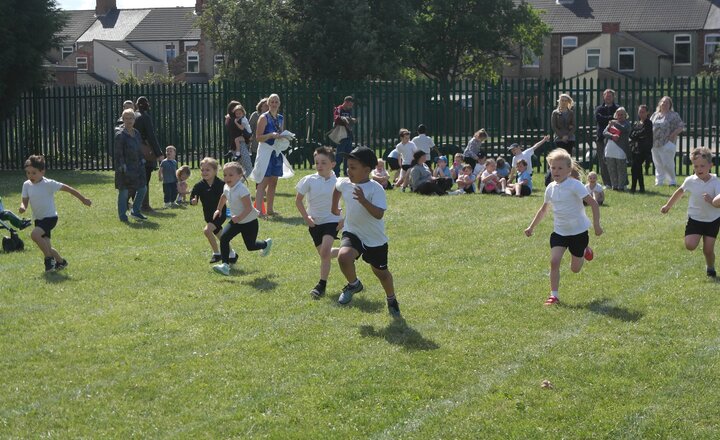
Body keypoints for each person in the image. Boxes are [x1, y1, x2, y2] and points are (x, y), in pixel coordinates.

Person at [525, 149, 603, 306]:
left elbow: (593, 204)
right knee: (554, 261)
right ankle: (554, 295)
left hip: (578, 232)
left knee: (575, 269)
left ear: (569, 170)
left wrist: (596, 225)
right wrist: (531, 227)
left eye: (560, 168)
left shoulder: (575, 185)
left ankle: (584, 250)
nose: (556, 171)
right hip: (560, 232)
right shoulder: (550, 188)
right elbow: (544, 209)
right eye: (553, 168)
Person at [331, 146, 401, 317]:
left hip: (374, 238)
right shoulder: (345, 182)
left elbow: (378, 214)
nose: (349, 170)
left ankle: (391, 299)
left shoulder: (375, 188)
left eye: (353, 167)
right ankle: (354, 284)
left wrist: (363, 200)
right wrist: (334, 207)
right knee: (343, 256)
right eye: (348, 166)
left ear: (367, 170)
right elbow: (337, 187)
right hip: (352, 232)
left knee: (381, 274)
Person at [19, 155, 92, 272]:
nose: (30, 176)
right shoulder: (26, 185)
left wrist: (83, 199)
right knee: (47, 246)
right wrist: (23, 206)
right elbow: (25, 200)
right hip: (38, 219)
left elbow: (69, 189)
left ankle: (49, 260)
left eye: (34, 173)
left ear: (42, 172)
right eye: (28, 173)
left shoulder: (49, 184)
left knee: (35, 235)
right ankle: (61, 262)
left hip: (50, 218)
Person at [661, 147, 720, 278]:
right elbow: (680, 192)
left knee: (708, 250)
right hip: (695, 219)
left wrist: (712, 201)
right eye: (696, 166)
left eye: (702, 166)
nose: (699, 169)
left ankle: (710, 267)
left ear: (711, 165)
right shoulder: (690, 180)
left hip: (712, 220)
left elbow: (718, 202)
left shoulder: (716, 182)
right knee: (690, 245)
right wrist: (668, 205)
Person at [295, 146, 342, 299]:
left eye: (323, 162)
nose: (319, 166)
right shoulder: (309, 180)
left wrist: (343, 220)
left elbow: (350, 201)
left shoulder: (339, 182)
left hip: (332, 220)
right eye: (317, 163)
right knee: (324, 254)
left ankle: (321, 285)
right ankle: (347, 251)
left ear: (333, 164)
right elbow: (298, 201)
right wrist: (306, 218)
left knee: (325, 252)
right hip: (314, 223)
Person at [212, 162, 272, 276]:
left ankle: (265, 244)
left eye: (230, 175)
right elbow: (223, 197)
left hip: (249, 222)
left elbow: (249, 208)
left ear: (240, 176)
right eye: (225, 175)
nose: (227, 178)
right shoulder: (226, 187)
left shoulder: (242, 189)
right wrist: (218, 209)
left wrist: (238, 217)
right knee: (224, 238)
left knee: (250, 246)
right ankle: (225, 265)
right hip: (236, 221)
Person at [251, 93, 294, 216]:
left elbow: (279, 133)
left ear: (279, 104)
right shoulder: (264, 117)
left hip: (276, 151)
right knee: (263, 181)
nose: (274, 104)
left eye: (276, 102)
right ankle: (259, 211)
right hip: (266, 151)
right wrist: (270, 135)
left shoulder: (280, 118)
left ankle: (270, 210)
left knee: (274, 181)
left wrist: (284, 136)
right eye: (272, 102)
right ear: (268, 104)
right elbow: (258, 137)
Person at [190, 157, 237, 264]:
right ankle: (232, 254)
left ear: (215, 171)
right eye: (202, 170)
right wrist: (193, 201)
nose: (204, 172)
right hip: (208, 216)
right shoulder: (199, 186)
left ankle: (217, 253)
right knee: (220, 235)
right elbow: (193, 198)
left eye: (207, 170)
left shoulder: (221, 184)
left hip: (219, 214)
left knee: (207, 231)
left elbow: (230, 195)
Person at [114, 108, 148, 222]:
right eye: (126, 118)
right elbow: (118, 153)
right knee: (124, 192)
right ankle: (122, 216)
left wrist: (142, 159)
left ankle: (135, 211)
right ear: (123, 119)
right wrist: (122, 165)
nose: (129, 121)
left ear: (134, 119)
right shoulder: (120, 135)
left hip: (137, 167)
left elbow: (139, 149)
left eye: (131, 118)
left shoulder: (136, 133)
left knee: (143, 188)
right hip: (125, 168)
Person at [134, 96, 164, 212]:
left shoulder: (134, 116)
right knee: (145, 179)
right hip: (145, 152)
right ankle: (144, 205)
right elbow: (151, 137)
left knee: (137, 179)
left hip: (134, 151)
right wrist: (159, 154)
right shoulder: (145, 117)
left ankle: (134, 203)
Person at [651, 96, 685, 187]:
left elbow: (681, 126)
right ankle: (659, 182)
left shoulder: (674, 115)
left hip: (667, 143)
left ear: (670, 105)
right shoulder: (655, 115)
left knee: (668, 163)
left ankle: (672, 181)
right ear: (660, 104)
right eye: (662, 102)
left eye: (666, 102)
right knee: (658, 163)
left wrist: (672, 135)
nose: (664, 104)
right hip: (655, 143)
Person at [602, 107, 632, 191]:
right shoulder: (612, 123)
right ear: (616, 115)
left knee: (621, 169)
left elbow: (624, 129)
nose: (620, 116)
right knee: (612, 169)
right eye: (618, 114)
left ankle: (621, 186)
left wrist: (614, 124)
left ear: (625, 115)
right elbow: (604, 132)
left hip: (621, 150)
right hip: (610, 149)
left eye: (622, 114)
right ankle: (614, 186)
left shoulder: (626, 123)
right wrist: (612, 136)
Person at [595, 89, 619, 185]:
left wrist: (608, 119)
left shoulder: (618, 108)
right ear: (603, 97)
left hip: (615, 138)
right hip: (601, 138)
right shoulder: (599, 108)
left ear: (613, 97)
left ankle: (616, 182)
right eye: (606, 96)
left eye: (610, 96)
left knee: (614, 160)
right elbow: (599, 119)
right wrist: (611, 118)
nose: (608, 97)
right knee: (603, 161)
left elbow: (619, 119)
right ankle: (607, 183)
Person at [629, 104, 654, 193]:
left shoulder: (648, 123)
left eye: (643, 112)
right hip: (634, 148)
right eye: (640, 112)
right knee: (636, 168)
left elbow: (642, 133)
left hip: (643, 149)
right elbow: (631, 134)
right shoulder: (637, 123)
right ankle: (641, 187)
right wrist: (636, 135)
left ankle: (633, 187)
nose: (641, 114)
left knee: (635, 167)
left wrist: (636, 135)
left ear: (647, 113)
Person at [332, 96, 357, 177]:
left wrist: (351, 120)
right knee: (339, 155)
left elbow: (348, 122)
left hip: (348, 135)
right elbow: (336, 119)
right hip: (341, 135)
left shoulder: (349, 110)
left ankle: (347, 173)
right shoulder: (338, 109)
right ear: (345, 102)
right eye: (350, 105)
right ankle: (336, 173)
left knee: (348, 156)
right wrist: (345, 119)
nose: (351, 107)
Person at [230, 104, 254, 178]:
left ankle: (238, 153)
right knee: (237, 139)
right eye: (236, 114)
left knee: (237, 139)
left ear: (243, 113)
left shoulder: (243, 120)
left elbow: (242, 128)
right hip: (246, 134)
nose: (238, 115)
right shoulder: (242, 118)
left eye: (239, 113)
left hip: (247, 134)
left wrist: (236, 122)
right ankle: (238, 153)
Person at [249, 98, 269, 165]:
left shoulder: (272, 116)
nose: (268, 107)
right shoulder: (255, 115)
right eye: (266, 105)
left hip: (269, 146)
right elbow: (250, 129)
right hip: (256, 145)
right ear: (261, 107)